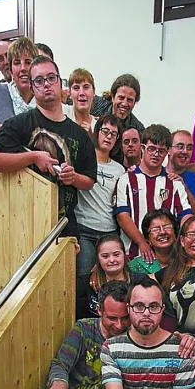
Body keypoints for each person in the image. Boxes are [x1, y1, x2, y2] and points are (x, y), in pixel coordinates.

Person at [0, 55, 97, 238]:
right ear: (31, 87)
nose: (46, 84)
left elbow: (89, 181)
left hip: (64, 228)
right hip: (24, 223)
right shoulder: (19, 124)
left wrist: (73, 178)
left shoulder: (80, 135)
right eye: (39, 80)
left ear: (59, 82)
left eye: (51, 78)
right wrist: (33, 157)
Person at [99, 277, 195, 389]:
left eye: (153, 307)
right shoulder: (112, 347)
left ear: (162, 309)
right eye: (139, 306)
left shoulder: (181, 347)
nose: (146, 313)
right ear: (128, 308)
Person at [114, 124, 192, 261]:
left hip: (169, 258)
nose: (156, 154)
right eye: (151, 149)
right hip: (135, 255)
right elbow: (122, 217)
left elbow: (186, 216)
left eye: (161, 151)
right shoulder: (126, 179)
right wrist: (142, 243)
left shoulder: (174, 183)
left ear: (168, 151)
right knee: (141, 283)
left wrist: (180, 241)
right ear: (143, 148)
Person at [75, 115, 125, 277]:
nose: (109, 136)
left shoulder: (119, 170)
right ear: (96, 133)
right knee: (83, 275)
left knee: (112, 277)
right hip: (85, 229)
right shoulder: (81, 160)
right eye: (105, 131)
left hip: (109, 231)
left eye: (114, 134)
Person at [92, 74, 145, 165]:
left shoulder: (138, 130)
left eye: (130, 100)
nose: (124, 103)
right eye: (121, 98)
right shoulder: (95, 105)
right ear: (113, 97)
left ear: (135, 102)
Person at [76, 234, 132, 318]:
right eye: (105, 256)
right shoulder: (84, 284)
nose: (112, 260)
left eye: (116, 255)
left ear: (124, 255)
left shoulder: (139, 282)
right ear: (98, 259)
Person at [167, 130, 195, 215]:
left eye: (189, 148)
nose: (185, 151)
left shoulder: (194, 179)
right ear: (168, 149)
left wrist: (184, 187)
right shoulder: (159, 174)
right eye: (180, 147)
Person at [129, 209, 178, 276]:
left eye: (167, 227)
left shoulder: (186, 260)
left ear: (175, 233)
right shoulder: (137, 265)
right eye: (155, 229)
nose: (162, 232)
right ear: (147, 239)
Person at [63, 68, 97, 133]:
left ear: (94, 92)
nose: (81, 93)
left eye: (86, 87)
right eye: (76, 88)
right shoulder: (61, 112)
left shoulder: (98, 127)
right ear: (70, 93)